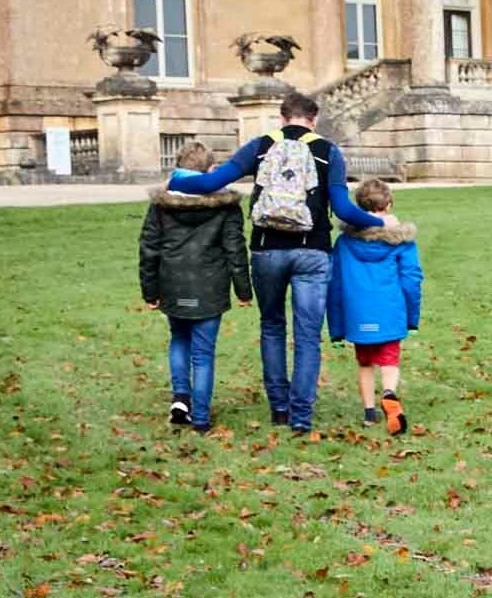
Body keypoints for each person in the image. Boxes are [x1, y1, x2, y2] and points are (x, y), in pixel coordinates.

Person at [163, 93, 383, 433]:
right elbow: (342, 209)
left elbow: (210, 183)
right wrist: (383, 223)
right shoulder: (328, 151)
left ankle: (278, 408)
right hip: (313, 252)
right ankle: (301, 417)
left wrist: (175, 182)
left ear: (282, 118)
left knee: (272, 326)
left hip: (267, 250)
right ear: (314, 119)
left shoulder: (261, 146)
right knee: (308, 336)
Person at [138, 142, 251, 432]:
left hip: (172, 282)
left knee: (179, 340)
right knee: (203, 353)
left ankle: (180, 399)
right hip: (209, 285)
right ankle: (200, 416)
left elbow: (149, 248)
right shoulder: (225, 207)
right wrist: (243, 289)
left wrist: (150, 290)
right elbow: (235, 249)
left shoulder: (161, 205)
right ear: (210, 170)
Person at [327, 177, 422, 434]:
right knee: (389, 360)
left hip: (358, 312)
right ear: (388, 205)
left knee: (365, 362)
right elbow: (412, 280)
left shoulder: (345, 243)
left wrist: (336, 327)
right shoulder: (402, 242)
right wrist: (412, 317)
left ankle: (369, 412)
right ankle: (390, 393)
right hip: (390, 310)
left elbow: (334, 284)